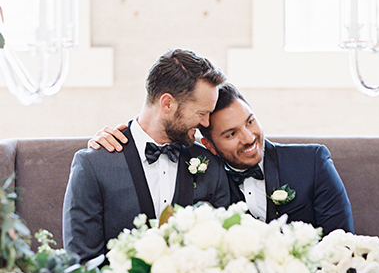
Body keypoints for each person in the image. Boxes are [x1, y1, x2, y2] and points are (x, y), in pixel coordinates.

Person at [89, 83, 354, 235]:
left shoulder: (312, 163)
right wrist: (110, 139)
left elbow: (342, 243)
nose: (249, 137)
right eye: (231, 134)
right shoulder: (202, 176)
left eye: (250, 121)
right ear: (209, 144)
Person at [63, 48, 230, 262]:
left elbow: (222, 253)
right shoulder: (93, 165)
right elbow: (81, 260)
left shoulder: (210, 164)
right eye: (201, 113)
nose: (206, 123)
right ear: (167, 103)